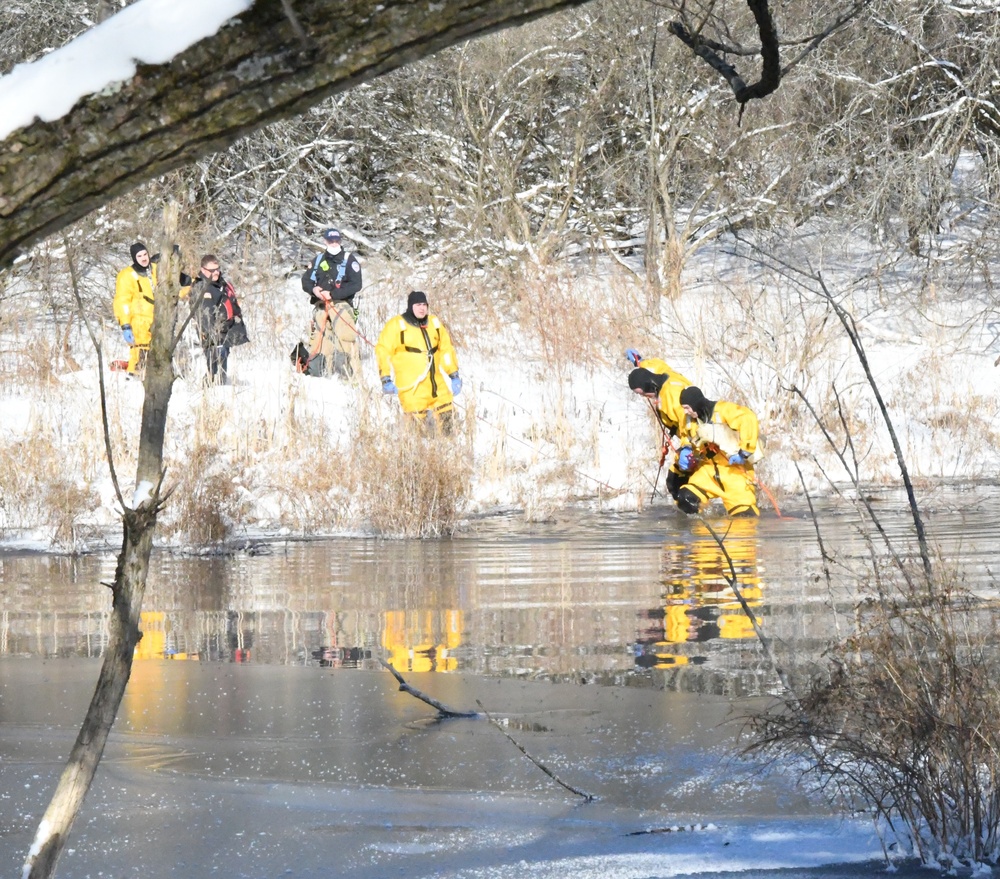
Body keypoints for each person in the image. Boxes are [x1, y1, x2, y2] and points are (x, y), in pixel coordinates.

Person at [375, 291, 461, 434]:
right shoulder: (396, 325)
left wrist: (454, 374)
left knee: (448, 419)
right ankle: (418, 452)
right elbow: (382, 351)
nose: (422, 308)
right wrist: (385, 379)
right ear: (410, 306)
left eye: (424, 305)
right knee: (417, 430)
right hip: (412, 387)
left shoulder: (435, 323)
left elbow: (446, 349)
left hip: (436, 385)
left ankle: (449, 450)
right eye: (418, 305)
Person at [672, 385, 763, 517]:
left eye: (687, 407)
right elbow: (686, 435)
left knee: (744, 520)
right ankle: (705, 531)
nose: (686, 412)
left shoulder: (723, 410)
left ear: (696, 403)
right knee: (686, 498)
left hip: (734, 473)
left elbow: (748, 419)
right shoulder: (688, 420)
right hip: (707, 472)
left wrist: (744, 452)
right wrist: (685, 448)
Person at [626, 348, 694, 501]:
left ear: (651, 386)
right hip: (689, 438)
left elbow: (689, 421)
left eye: (643, 393)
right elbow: (655, 366)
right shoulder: (660, 374)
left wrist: (687, 447)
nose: (645, 397)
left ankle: (697, 513)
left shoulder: (671, 394)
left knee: (682, 484)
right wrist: (639, 361)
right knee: (674, 481)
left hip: (696, 440)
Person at [300, 228, 362, 377]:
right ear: (325, 241)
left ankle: (348, 375)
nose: (334, 243)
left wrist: (333, 294)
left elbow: (356, 284)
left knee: (346, 339)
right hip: (321, 307)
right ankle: (319, 374)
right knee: (318, 342)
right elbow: (306, 280)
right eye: (330, 240)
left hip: (341, 306)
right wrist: (314, 290)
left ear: (340, 241)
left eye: (336, 240)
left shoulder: (349, 260)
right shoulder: (318, 260)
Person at [189, 254, 248, 385]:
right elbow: (204, 317)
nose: (216, 272)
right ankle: (209, 389)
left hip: (225, 332)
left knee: (222, 365)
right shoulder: (201, 287)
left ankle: (220, 387)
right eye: (212, 270)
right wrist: (213, 336)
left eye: (217, 269)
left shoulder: (220, 283)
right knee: (214, 366)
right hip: (213, 335)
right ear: (203, 270)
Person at [113, 242, 157, 376]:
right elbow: (122, 301)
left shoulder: (154, 269)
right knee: (140, 352)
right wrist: (125, 324)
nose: (144, 258)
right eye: (139, 256)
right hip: (139, 321)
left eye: (145, 254)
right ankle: (134, 376)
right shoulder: (127, 275)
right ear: (134, 258)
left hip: (157, 319)